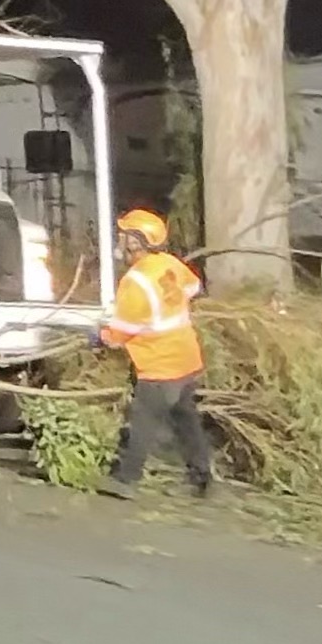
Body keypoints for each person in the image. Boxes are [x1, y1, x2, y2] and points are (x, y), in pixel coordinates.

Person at [98, 204, 213, 497]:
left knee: (143, 422)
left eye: (123, 235)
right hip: (186, 358)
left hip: (160, 365)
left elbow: (121, 333)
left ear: (136, 241)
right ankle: (201, 477)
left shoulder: (135, 281)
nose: (120, 241)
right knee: (187, 420)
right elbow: (193, 288)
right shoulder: (170, 264)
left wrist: (98, 336)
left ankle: (125, 481)